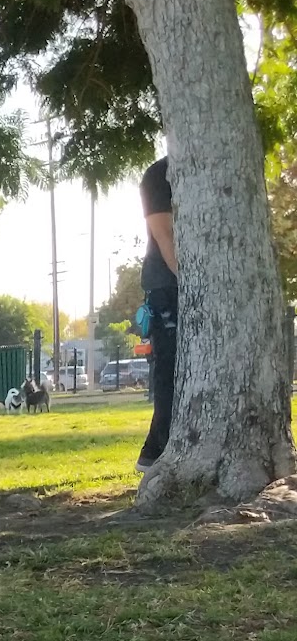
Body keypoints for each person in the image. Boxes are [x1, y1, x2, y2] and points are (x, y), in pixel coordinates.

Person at [137, 153, 178, 472]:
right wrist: (190, 282)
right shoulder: (157, 175)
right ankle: (155, 452)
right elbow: (165, 236)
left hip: (175, 284)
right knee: (169, 366)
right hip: (165, 285)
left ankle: (156, 448)